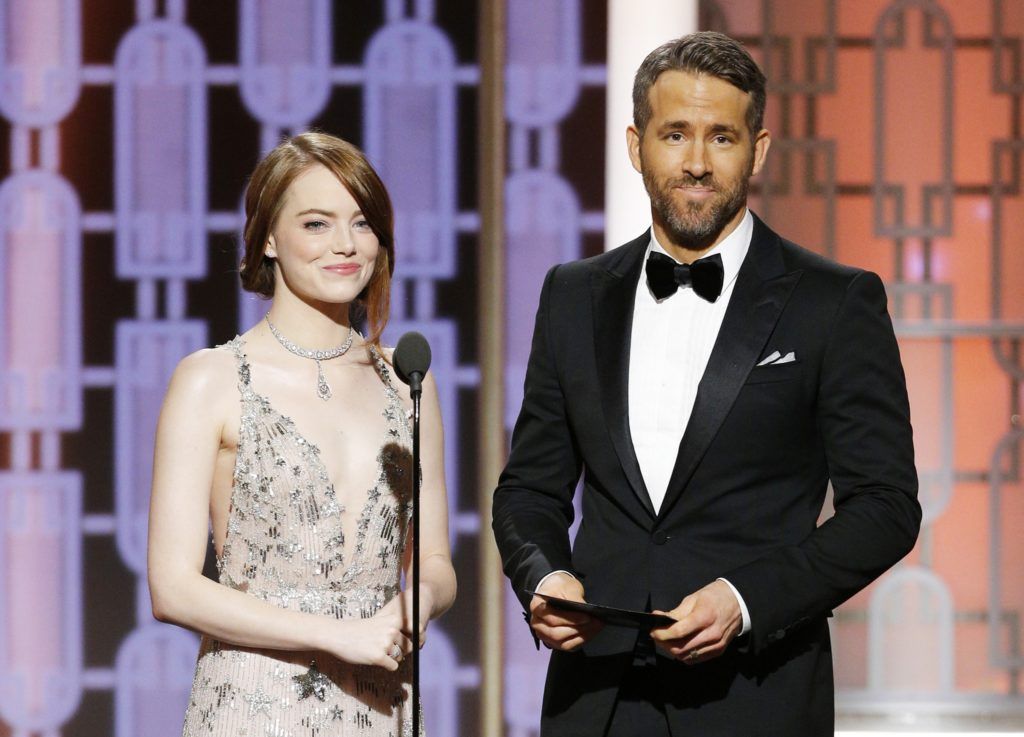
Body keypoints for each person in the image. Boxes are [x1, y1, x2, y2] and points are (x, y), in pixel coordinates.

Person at [492, 31, 920, 737]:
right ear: (636, 146)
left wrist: (747, 598)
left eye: (722, 137)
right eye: (675, 134)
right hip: (594, 699)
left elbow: (886, 507)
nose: (695, 162)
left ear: (759, 150)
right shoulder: (573, 295)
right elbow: (530, 487)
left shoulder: (833, 302)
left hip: (756, 694)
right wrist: (543, 576)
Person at [148, 131, 456, 736]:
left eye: (363, 223)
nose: (346, 245)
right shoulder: (212, 380)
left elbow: (437, 561)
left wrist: (418, 603)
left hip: (381, 705)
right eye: (317, 224)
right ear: (268, 236)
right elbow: (173, 587)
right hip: (250, 706)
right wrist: (339, 635)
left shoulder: (407, 381)